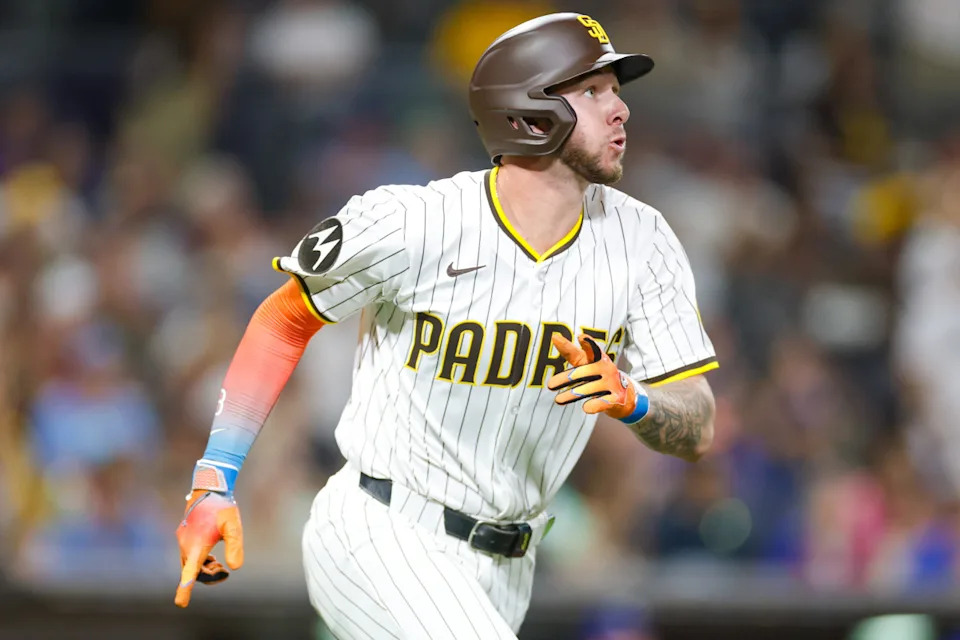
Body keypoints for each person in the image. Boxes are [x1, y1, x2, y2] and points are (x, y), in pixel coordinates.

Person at [174, 13, 719, 639]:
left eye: (617, 91)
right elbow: (281, 320)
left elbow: (698, 426)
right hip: (380, 527)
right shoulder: (415, 221)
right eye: (593, 90)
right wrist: (212, 482)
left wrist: (637, 400)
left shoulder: (644, 241)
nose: (619, 109)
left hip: (510, 562)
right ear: (529, 111)